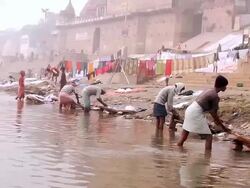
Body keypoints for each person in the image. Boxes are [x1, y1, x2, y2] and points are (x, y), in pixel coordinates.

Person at [177, 75, 230, 150]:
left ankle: (178, 149)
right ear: (222, 86)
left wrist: (219, 121)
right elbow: (213, 113)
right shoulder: (215, 96)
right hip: (195, 113)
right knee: (209, 137)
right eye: (225, 86)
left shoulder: (209, 90)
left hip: (190, 110)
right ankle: (207, 158)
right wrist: (223, 127)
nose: (226, 88)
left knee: (185, 133)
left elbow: (211, 112)